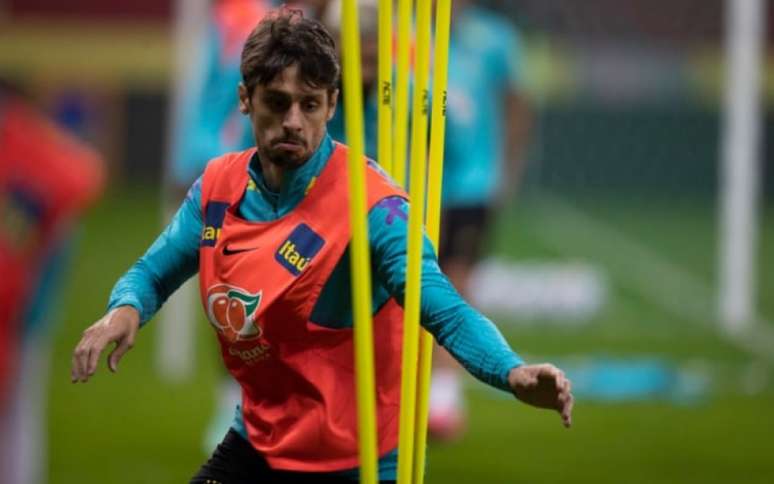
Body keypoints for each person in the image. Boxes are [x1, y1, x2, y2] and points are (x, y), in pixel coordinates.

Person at [71, 8, 571, 483]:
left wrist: (513, 372)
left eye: (309, 104)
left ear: (332, 104)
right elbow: (153, 272)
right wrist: (124, 308)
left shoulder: (376, 207)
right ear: (245, 99)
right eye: (277, 101)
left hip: (355, 458)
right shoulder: (216, 185)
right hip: (259, 441)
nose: (293, 120)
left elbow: (444, 310)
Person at [428, 0, 533, 440]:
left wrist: (508, 170)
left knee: (456, 282)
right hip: (419, 183)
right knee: (412, 283)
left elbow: (516, 102)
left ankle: (444, 395)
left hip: (472, 184)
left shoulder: (495, 39)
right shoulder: (406, 36)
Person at [0, 84, 105, 484]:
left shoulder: (38, 157)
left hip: (23, 309)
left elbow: (83, 173)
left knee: (18, 406)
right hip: (23, 302)